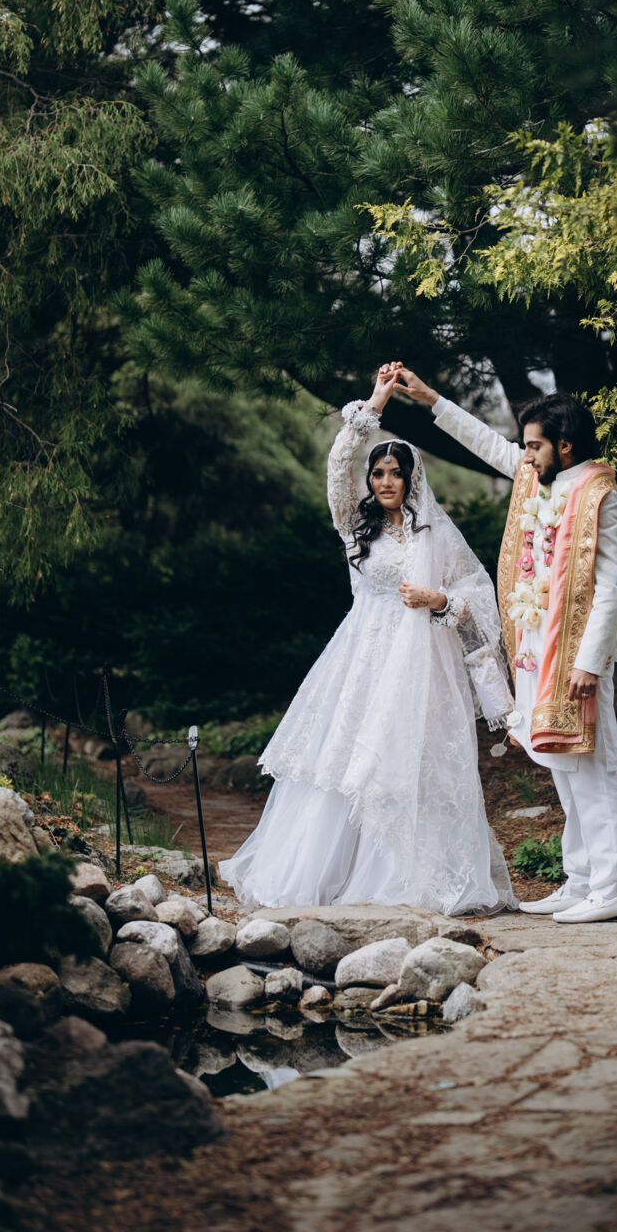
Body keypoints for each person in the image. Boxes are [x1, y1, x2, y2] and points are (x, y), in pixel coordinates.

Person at [219, 364, 515, 915]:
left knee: (408, 763)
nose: (384, 481)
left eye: (395, 473)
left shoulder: (435, 534)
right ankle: (330, 872)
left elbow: (478, 594)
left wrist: (439, 600)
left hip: (419, 666)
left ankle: (400, 875)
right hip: (359, 660)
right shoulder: (355, 526)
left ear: (411, 479)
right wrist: (375, 404)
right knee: (347, 760)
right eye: (377, 472)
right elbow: (338, 465)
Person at [393, 367, 617, 923]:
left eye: (533, 446)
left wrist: (589, 662)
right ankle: (580, 879)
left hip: (577, 657)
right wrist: (432, 400)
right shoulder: (539, 478)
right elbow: (486, 444)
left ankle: (612, 887)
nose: (523, 455)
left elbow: (612, 588)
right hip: (536, 650)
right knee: (561, 764)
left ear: (564, 445)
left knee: (594, 768)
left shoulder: (600, 498)